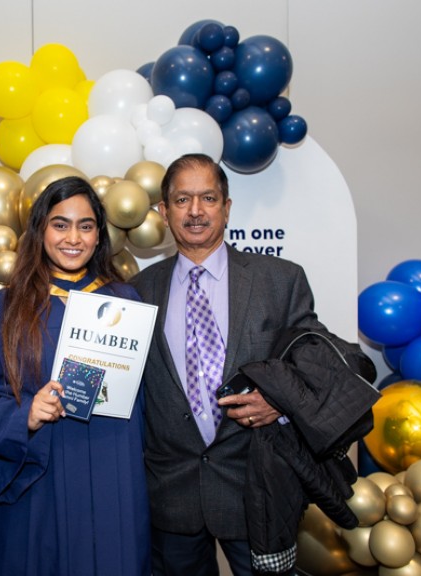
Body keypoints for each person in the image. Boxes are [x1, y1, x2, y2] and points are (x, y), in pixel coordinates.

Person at [130, 153, 376, 576]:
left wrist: (281, 403)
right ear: (164, 212)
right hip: (171, 492)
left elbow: (313, 364)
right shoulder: (138, 290)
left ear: (226, 208)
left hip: (257, 487)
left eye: (208, 198)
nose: (195, 211)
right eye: (182, 199)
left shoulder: (279, 279)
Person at [0, 175, 151, 576]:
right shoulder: (3, 310)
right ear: (40, 230)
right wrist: (25, 415)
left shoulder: (126, 302)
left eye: (86, 225)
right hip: (41, 473)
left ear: (99, 234)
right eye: (60, 224)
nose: (74, 237)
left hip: (113, 468)